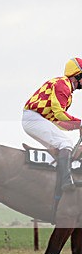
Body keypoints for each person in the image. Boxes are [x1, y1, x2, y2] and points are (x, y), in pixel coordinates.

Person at [23, 57, 82, 193]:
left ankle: (50, 182)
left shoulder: (67, 91)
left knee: (61, 146)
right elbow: (59, 113)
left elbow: (59, 121)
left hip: (37, 119)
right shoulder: (62, 84)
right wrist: (80, 123)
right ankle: (65, 181)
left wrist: (77, 126)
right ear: (78, 75)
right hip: (33, 118)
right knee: (65, 143)